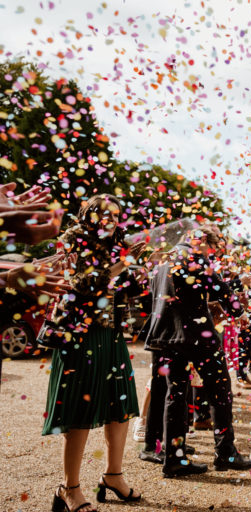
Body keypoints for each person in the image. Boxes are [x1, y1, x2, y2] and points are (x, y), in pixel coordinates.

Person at [43, 194, 145, 512]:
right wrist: (120, 266)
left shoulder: (118, 244)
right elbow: (77, 284)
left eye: (116, 215)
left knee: (120, 404)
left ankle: (113, 475)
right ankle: (69, 488)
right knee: (80, 408)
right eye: (105, 214)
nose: (112, 220)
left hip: (110, 332)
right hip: (79, 334)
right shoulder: (72, 239)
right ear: (88, 214)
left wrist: (136, 274)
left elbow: (124, 288)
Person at [142, 224, 251, 477]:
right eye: (213, 247)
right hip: (197, 336)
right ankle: (225, 453)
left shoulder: (164, 260)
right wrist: (240, 313)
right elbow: (220, 289)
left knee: (175, 396)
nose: (212, 253)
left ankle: (174, 458)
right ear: (203, 240)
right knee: (221, 391)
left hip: (167, 336)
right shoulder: (195, 257)